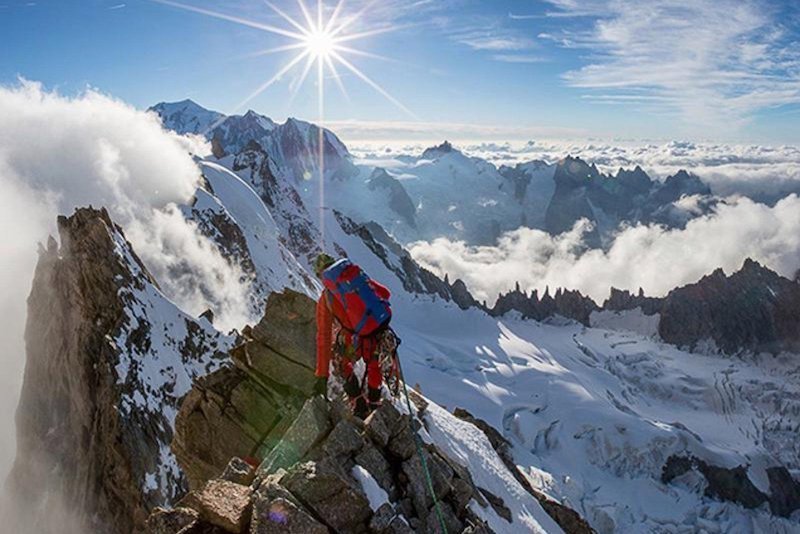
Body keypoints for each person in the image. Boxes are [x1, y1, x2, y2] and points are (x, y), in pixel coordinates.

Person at [313, 253, 392, 418]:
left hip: (352, 341)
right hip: (375, 329)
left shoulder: (326, 299)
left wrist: (322, 375)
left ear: (321, 276)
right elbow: (385, 293)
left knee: (341, 363)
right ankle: (374, 402)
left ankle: (359, 404)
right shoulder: (356, 277)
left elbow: (324, 336)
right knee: (374, 363)